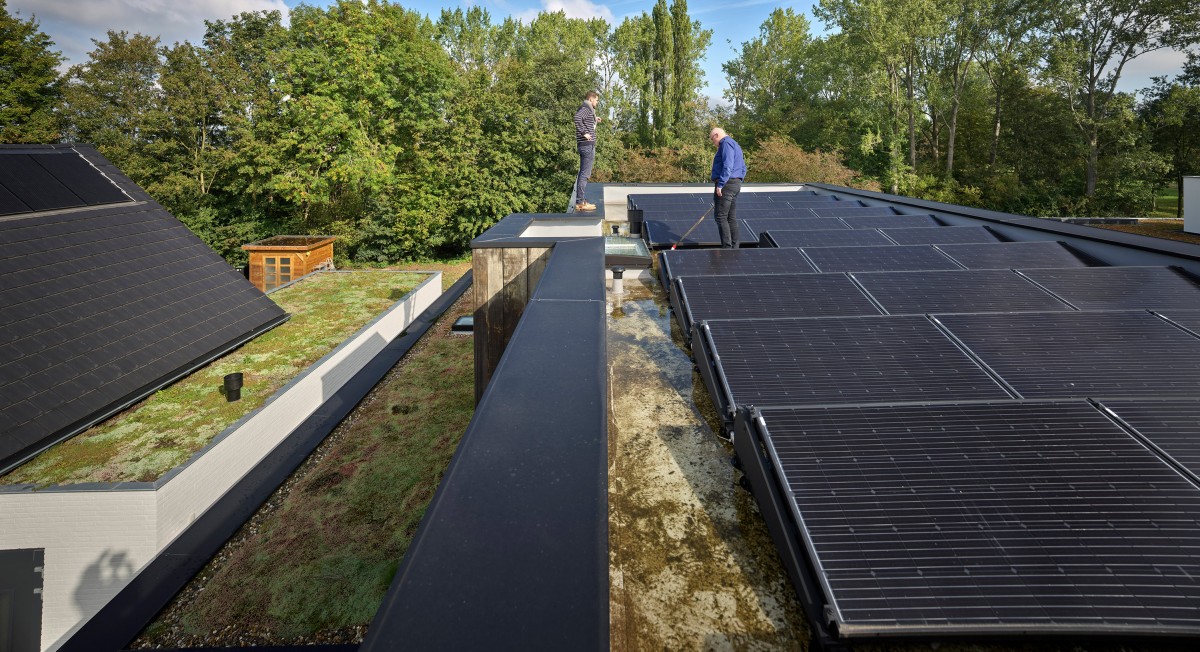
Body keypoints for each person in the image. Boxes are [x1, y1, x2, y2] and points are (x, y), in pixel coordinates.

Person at [709, 127, 746, 248]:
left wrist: (721, 184)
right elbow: (743, 167)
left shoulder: (725, 143)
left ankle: (727, 248)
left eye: (712, 139)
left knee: (721, 216)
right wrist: (738, 180)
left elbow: (728, 165)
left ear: (716, 135)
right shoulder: (735, 144)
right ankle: (734, 248)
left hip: (727, 184)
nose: (713, 143)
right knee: (731, 217)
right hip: (735, 183)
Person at [574, 91, 601, 211]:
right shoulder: (586, 108)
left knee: (584, 174)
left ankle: (581, 200)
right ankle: (580, 202)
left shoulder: (589, 109)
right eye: (596, 100)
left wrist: (595, 120)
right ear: (591, 99)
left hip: (586, 145)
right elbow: (577, 118)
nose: (597, 102)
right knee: (585, 174)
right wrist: (584, 133)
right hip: (586, 145)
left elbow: (584, 120)